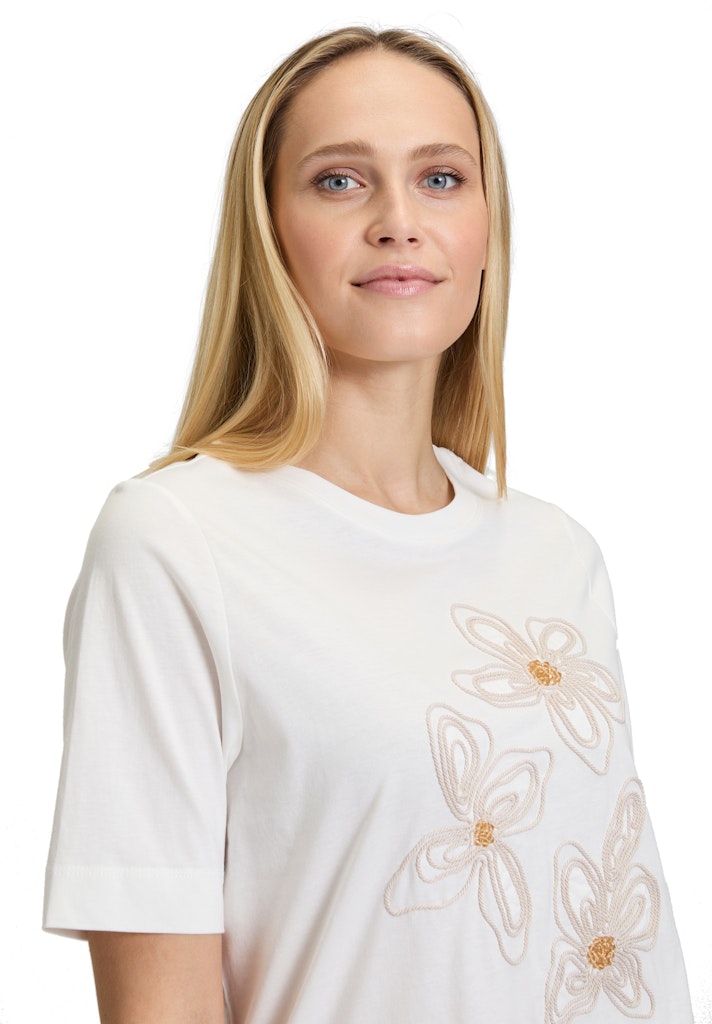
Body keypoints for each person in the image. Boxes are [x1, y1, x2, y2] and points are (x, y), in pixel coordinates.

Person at [43, 25, 693, 1024]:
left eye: (441, 178)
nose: (399, 221)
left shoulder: (556, 552)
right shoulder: (174, 543)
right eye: (340, 181)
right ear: (268, 229)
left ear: (487, 227)